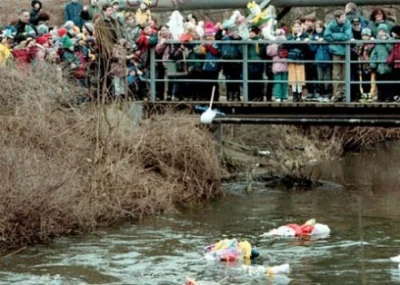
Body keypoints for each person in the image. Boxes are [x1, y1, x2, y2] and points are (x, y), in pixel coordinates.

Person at [324, 10, 353, 102]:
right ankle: (337, 94)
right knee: (336, 74)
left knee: (345, 74)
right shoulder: (331, 25)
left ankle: (345, 94)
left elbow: (347, 36)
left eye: (345, 17)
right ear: (337, 18)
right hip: (335, 51)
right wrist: (341, 36)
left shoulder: (347, 24)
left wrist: (335, 36)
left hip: (345, 52)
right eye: (343, 17)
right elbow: (327, 36)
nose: (345, 18)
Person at [309, 20, 332, 102]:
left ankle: (329, 93)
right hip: (318, 60)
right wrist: (317, 43)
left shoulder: (326, 36)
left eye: (320, 27)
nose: (319, 29)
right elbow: (312, 48)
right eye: (317, 28)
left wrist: (324, 42)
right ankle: (321, 93)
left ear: (323, 27)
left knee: (329, 78)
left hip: (327, 59)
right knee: (320, 77)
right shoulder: (313, 37)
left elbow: (330, 48)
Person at [286, 20, 308, 102]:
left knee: (300, 77)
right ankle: (294, 95)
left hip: (300, 59)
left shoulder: (305, 35)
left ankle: (299, 95)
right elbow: (288, 45)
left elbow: (304, 48)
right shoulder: (290, 36)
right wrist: (296, 38)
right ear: (292, 28)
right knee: (293, 77)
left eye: (298, 26)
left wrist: (301, 39)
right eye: (295, 27)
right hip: (291, 59)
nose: (297, 28)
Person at [370, 24, 393, 102]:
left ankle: (388, 97)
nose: (381, 33)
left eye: (383, 31)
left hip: (388, 66)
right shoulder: (377, 41)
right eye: (380, 31)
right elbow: (374, 53)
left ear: (386, 32)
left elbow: (391, 50)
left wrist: (386, 41)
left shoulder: (390, 40)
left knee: (388, 83)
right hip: (379, 66)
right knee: (379, 83)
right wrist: (373, 63)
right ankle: (380, 97)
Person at [267, 29, 288, 102]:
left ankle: (278, 96)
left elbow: (269, 53)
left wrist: (269, 44)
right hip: (285, 64)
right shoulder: (286, 43)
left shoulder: (273, 44)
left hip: (276, 65)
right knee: (284, 82)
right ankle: (284, 96)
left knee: (277, 82)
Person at [356, 28, 375, 102]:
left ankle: (370, 94)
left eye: (366, 35)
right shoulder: (360, 44)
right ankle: (364, 94)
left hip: (369, 64)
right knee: (363, 80)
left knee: (369, 80)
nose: (365, 37)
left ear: (369, 36)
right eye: (363, 35)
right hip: (361, 64)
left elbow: (371, 51)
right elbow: (357, 52)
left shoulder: (372, 44)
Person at [247, 26, 264, 101]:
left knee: (258, 80)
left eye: (252, 32)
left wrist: (260, 43)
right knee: (250, 80)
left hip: (257, 62)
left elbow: (262, 51)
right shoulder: (247, 41)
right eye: (250, 32)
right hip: (249, 62)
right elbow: (242, 50)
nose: (251, 34)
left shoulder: (259, 41)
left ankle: (259, 96)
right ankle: (251, 96)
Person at [387, 25, 400, 100]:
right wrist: (390, 60)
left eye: (393, 32)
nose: (392, 33)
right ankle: (396, 96)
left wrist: (390, 60)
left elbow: (395, 53)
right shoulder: (395, 42)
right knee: (396, 80)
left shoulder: (397, 42)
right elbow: (393, 52)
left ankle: (397, 96)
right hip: (396, 65)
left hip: (397, 64)